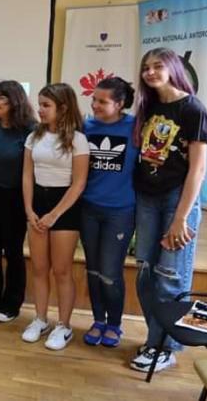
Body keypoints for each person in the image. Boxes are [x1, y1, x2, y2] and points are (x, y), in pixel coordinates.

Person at [130, 48, 207, 373]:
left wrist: (180, 218)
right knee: (145, 275)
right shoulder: (148, 106)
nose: (150, 72)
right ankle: (156, 338)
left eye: (157, 66)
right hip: (147, 198)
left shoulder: (193, 109)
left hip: (177, 200)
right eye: (146, 67)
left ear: (173, 68)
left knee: (169, 279)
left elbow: (198, 170)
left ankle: (163, 347)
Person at [21, 83, 89, 351]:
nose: (40, 110)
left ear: (63, 108)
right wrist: (29, 209)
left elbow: (79, 183)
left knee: (61, 270)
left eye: (46, 105)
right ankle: (40, 319)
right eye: (39, 104)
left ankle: (64, 325)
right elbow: (27, 175)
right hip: (38, 202)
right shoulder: (33, 137)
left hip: (65, 206)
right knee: (39, 268)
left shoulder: (78, 139)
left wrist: (54, 214)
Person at [80, 77, 137, 348]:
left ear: (120, 103)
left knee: (109, 271)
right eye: (94, 100)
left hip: (120, 212)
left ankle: (114, 324)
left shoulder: (136, 127)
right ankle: (98, 320)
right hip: (88, 209)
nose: (95, 105)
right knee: (93, 269)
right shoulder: (86, 127)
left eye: (102, 101)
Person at [0, 81, 36, 323]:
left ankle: (11, 302)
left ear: (15, 100)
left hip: (14, 197)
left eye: (1, 97)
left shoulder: (30, 131)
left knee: (13, 251)